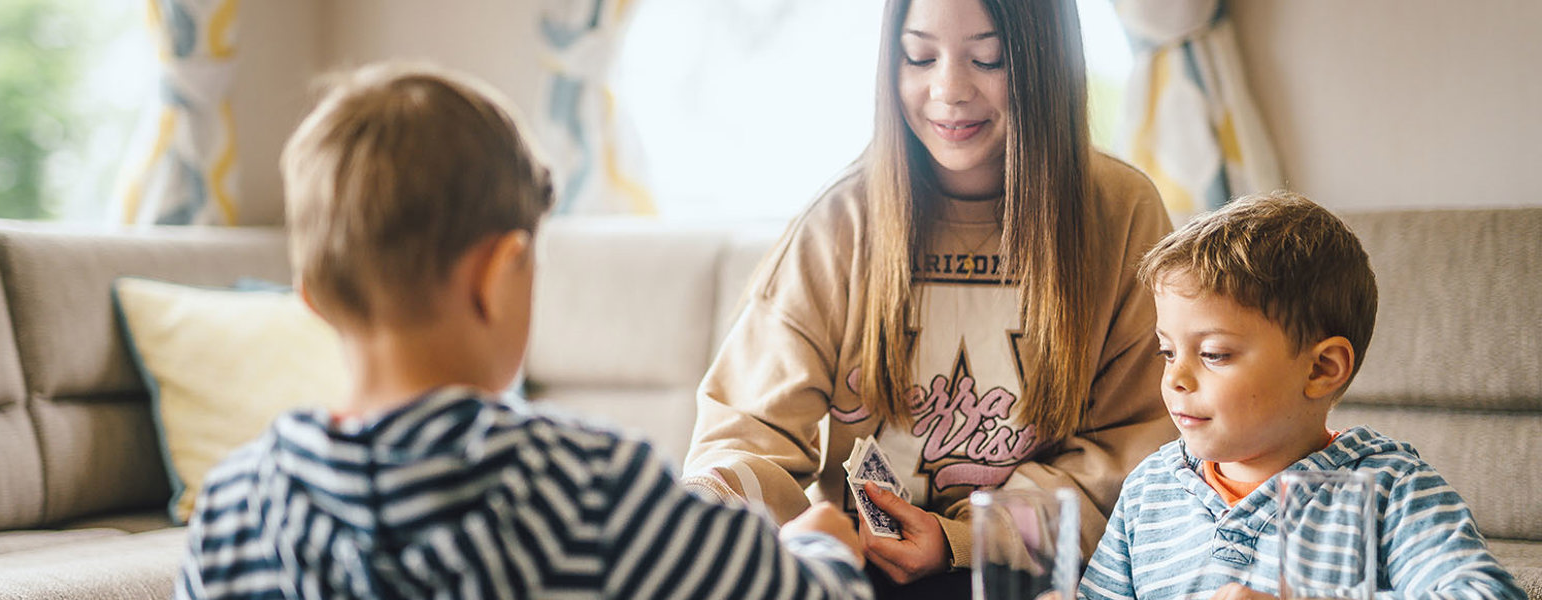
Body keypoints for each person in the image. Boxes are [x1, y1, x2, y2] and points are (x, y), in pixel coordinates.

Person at [174, 62, 873, 600]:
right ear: (500, 272)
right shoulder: (589, 488)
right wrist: (823, 547)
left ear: (314, 299)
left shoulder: (231, 508)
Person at [681, 0, 1176, 593]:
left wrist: (960, 541)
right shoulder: (842, 221)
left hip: (1026, 578)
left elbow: (1135, 454)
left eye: (987, 58)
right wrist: (707, 505)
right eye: (919, 56)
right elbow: (747, 431)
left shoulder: (1121, 213)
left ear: (1046, 62)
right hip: (859, 574)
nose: (948, 89)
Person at [1080, 191, 1525, 600]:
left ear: (1321, 369)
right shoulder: (1149, 489)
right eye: (1167, 350)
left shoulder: (1390, 489)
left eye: (1214, 354)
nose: (1175, 376)